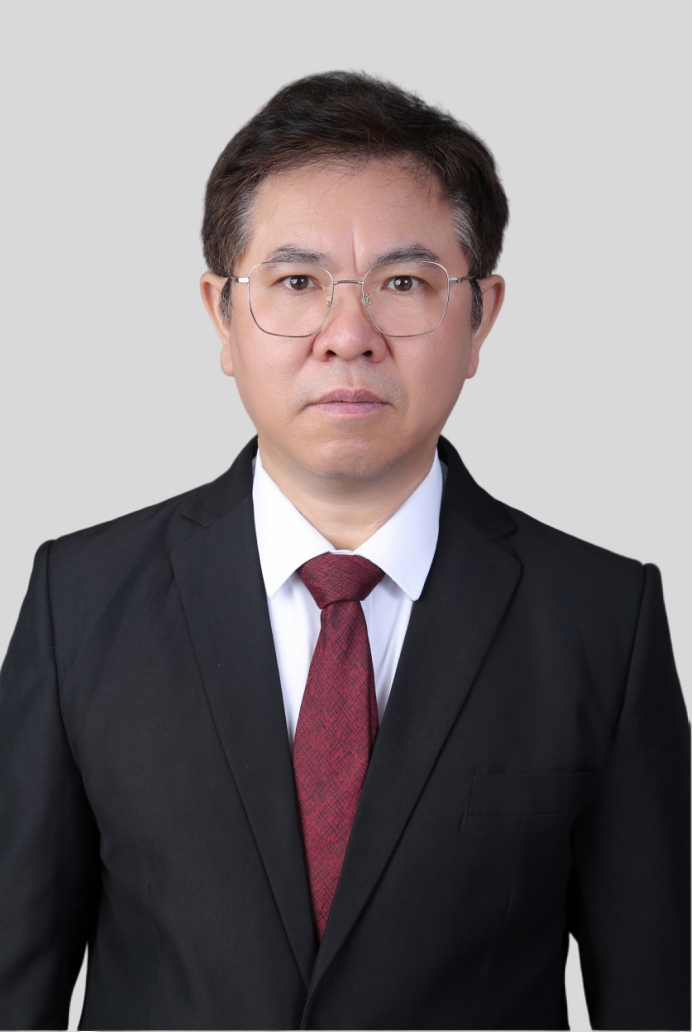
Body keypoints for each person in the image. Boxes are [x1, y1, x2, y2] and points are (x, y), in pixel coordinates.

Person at [0, 71, 688, 1032]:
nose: (348, 336)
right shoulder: (79, 602)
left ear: (480, 317)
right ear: (222, 315)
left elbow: (660, 998)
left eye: (404, 284)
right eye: (297, 283)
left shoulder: (603, 622)